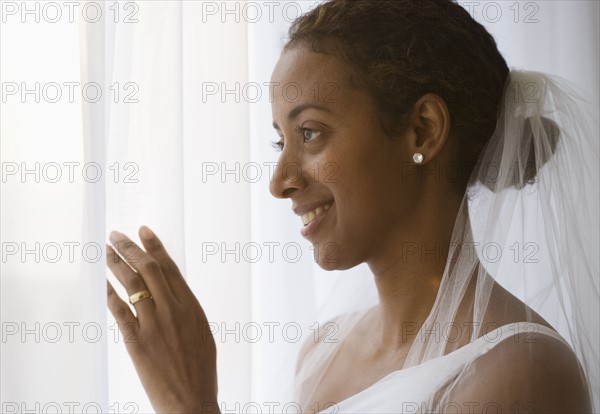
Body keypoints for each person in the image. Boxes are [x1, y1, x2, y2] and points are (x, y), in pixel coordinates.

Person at [106, 0, 599, 412]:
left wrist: (190, 404)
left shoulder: (520, 373)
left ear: (422, 130)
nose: (279, 182)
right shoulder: (321, 356)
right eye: (281, 142)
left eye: (311, 133)